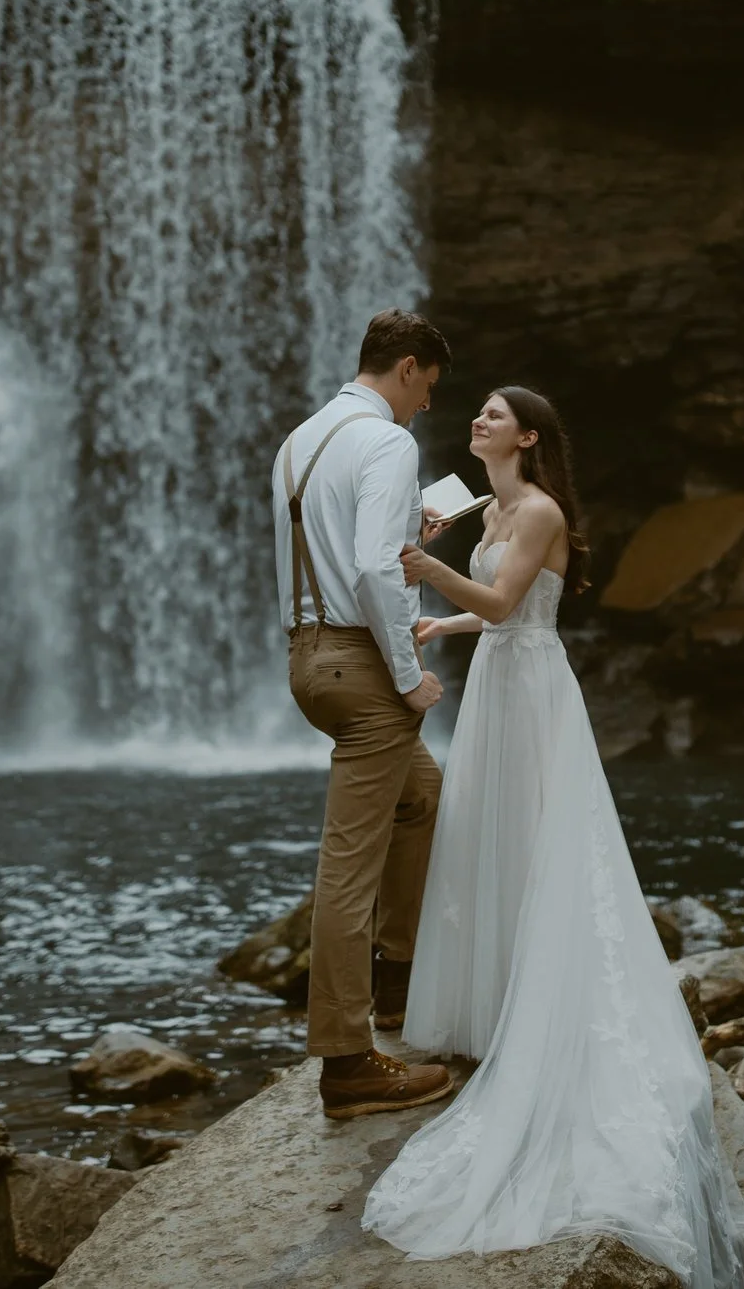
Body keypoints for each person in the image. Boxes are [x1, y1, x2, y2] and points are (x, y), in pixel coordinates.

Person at [362, 386, 744, 1289]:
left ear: (529, 436)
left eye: (493, 415)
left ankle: (549, 1011)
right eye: (473, 412)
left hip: (536, 692)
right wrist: (444, 620)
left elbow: (512, 607)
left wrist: (433, 580)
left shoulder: (536, 507)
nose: (477, 421)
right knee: (489, 843)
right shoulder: (489, 506)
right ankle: (499, 1004)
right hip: (500, 688)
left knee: (548, 844)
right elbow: (498, 606)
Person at [273, 308, 456, 1120]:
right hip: (364, 665)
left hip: (310, 658)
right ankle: (347, 1063)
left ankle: (396, 984)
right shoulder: (387, 441)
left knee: (422, 796)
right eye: (429, 389)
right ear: (408, 367)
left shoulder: (302, 438)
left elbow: (343, 548)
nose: (426, 407)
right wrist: (411, 674)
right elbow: (379, 570)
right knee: (348, 866)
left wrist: (413, 527)